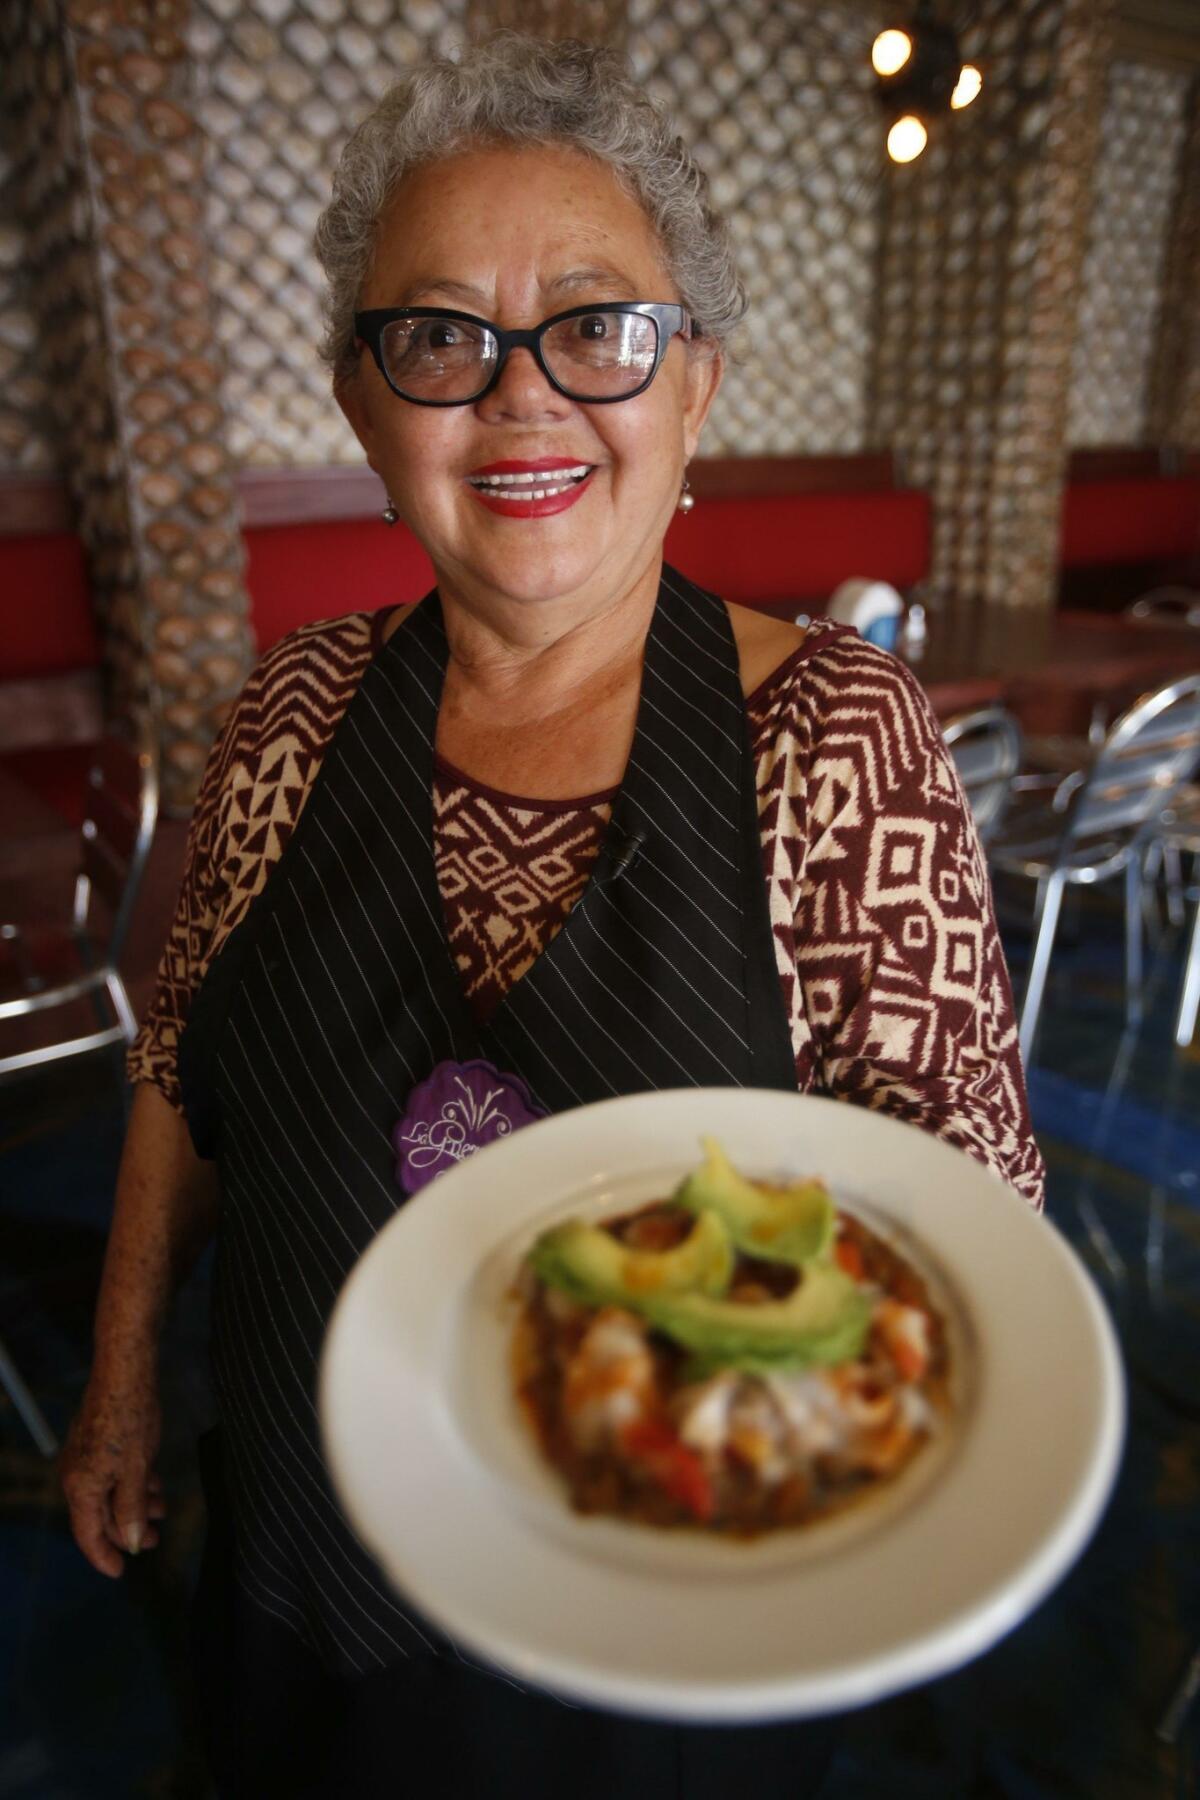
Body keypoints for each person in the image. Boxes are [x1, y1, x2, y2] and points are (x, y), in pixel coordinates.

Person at [61, 33, 1045, 1798]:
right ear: (367, 409)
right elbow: (184, 1068)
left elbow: (969, 1229)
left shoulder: (835, 739)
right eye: (438, 337)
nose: (521, 399)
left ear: (699, 390)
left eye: (599, 327)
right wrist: (123, 1373)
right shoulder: (286, 714)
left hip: (663, 1625)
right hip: (302, 1554)